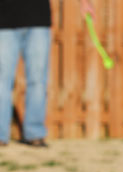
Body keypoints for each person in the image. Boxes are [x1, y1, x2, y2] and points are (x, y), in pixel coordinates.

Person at [0, 0, 94, 147]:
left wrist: (84, 2)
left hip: (38, 19)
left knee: (38, 80)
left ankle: (34, 134)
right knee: (2, 80)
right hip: (4, 22)